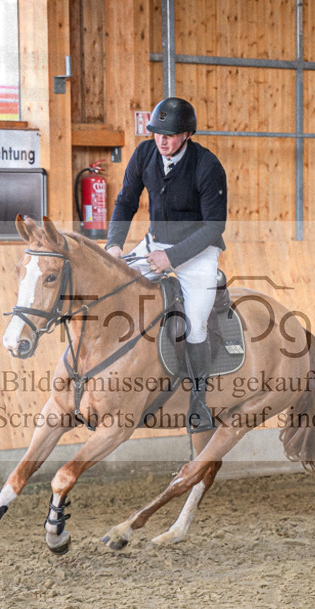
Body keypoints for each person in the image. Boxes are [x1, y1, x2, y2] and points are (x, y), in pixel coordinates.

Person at [105, 97, 228, 433]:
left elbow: (214, 226)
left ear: (187, 134)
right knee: (114, 289)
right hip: (154, 245)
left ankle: (199, 403)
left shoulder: (207, 165)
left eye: (170, 135)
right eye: (157, 133)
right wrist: (114, 245)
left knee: (196, 325)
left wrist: (171, 258)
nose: (162, 140)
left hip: (197, 254)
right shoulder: (145, 154)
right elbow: (126, 201)